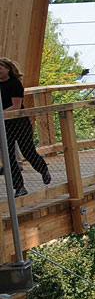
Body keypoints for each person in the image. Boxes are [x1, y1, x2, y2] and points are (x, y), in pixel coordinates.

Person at [0, 58, 51, 197]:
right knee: (8, 156)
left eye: (0, 68)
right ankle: (19, 187)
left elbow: (16, 106)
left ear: (8, 69)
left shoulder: (14, 84)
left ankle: (43, 170)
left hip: (19, 123)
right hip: (5, 125)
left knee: (27, 151)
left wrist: (0, 114)